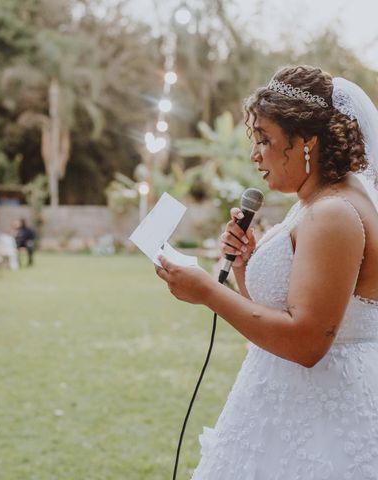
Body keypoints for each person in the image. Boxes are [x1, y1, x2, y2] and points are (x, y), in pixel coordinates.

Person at [155, 65, 378, 478]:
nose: (255, 154)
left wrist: (208, 292)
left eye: (265, 139)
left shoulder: (334, 214)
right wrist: (245, 267)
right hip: (285, 408)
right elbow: (290, 309)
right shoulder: (315, 201)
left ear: (307, 141)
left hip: (323, 419)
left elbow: (308, 343)